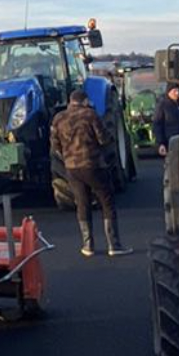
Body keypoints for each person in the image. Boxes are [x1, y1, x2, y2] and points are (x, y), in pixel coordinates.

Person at [50, 90, 132, 257]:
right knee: (106, 202)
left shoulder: (58, 118)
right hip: (93, 165)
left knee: (82, 204)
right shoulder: (90, 115)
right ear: (85, 101)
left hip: (71, 168)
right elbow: (103, 139)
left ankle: (88, 246)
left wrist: (67, 155)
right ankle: (114, 245)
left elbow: (55, 146)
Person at [154, 82, 179, 157]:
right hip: (171, 141)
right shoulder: (163, 104)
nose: (177, 93)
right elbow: (157, 125)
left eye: (178, 90)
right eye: (174, 91)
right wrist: (161, 143)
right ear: (169, 92)